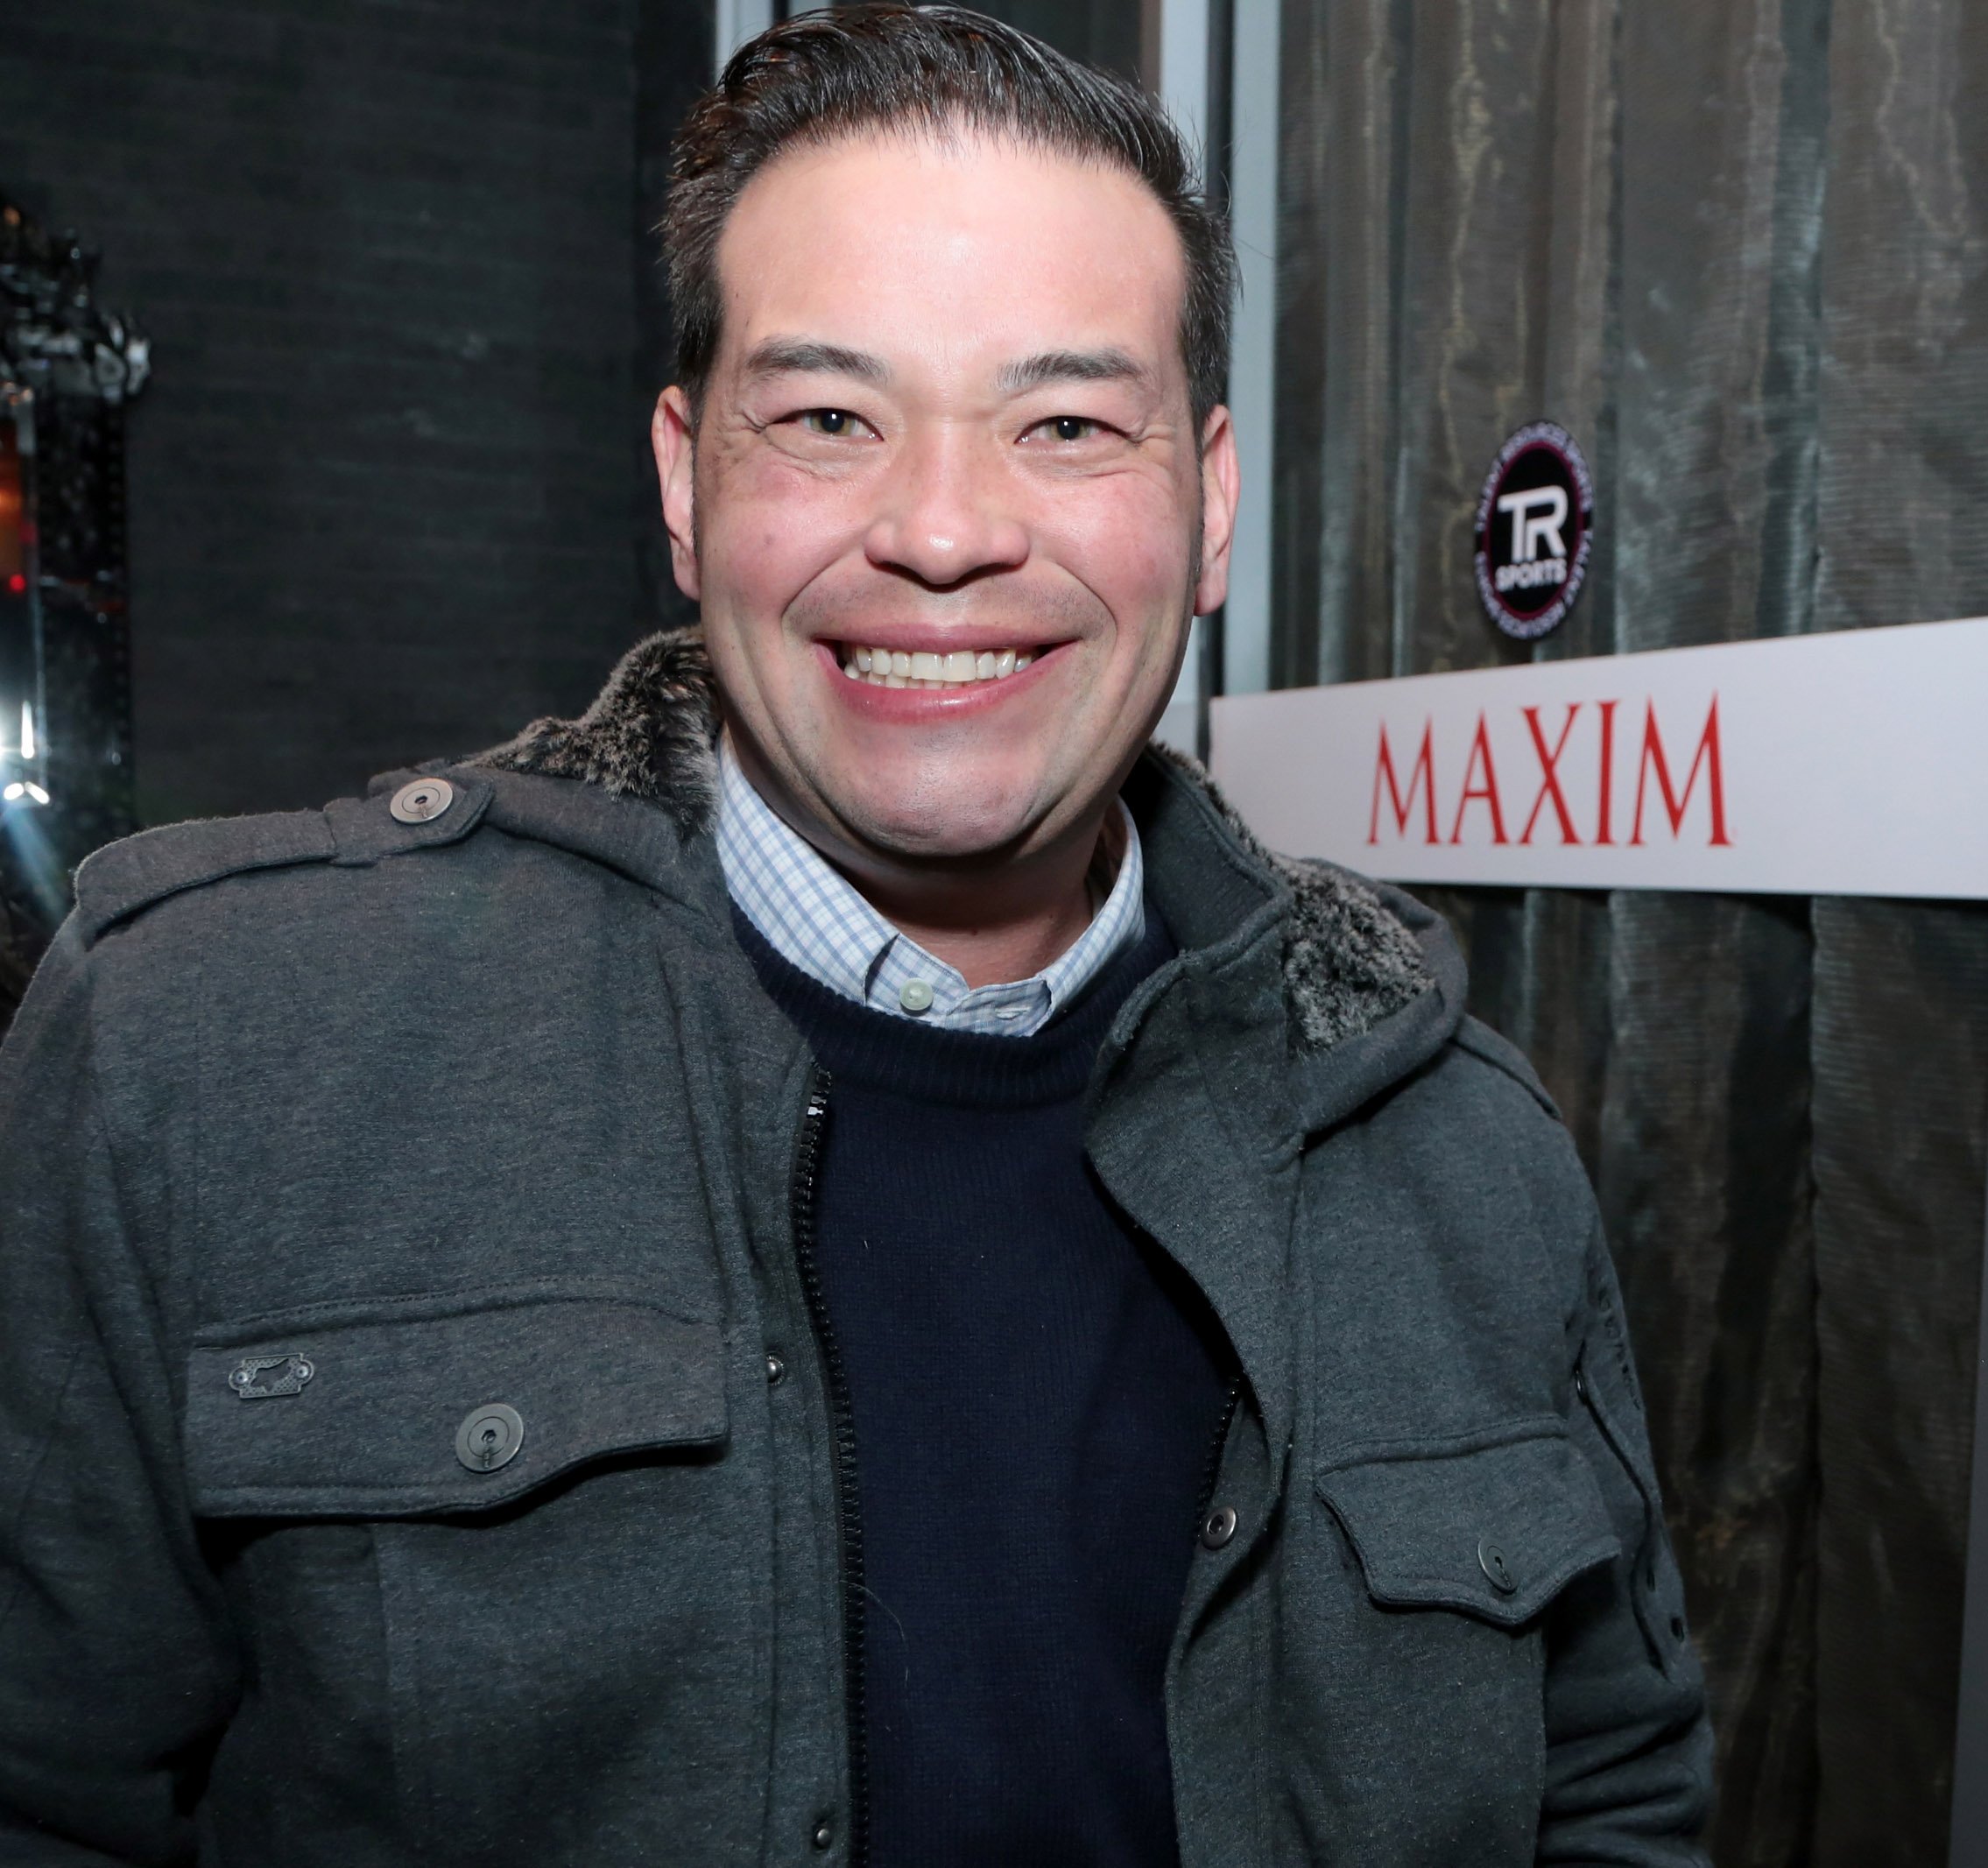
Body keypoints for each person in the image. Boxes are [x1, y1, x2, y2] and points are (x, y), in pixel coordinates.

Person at [0, 9, 1711, 1862]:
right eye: (831, 418)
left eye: (1063, 423)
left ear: (1207, 504)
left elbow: (1608, 1791)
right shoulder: (215, 1053)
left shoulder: (1454, 1145)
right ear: (683, 479)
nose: (949, 531)